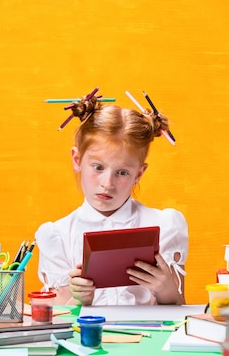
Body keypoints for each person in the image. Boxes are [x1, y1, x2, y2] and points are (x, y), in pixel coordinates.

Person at [35, 93, 188, 306]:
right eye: (98, 167)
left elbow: (178, 312)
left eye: (122, 172)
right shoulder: (58, 235)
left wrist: (166, 289)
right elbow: (58, 318)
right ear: (77, 160)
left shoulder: (165, 225)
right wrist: (79, 299)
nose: (108, 183)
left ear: (139, 174)